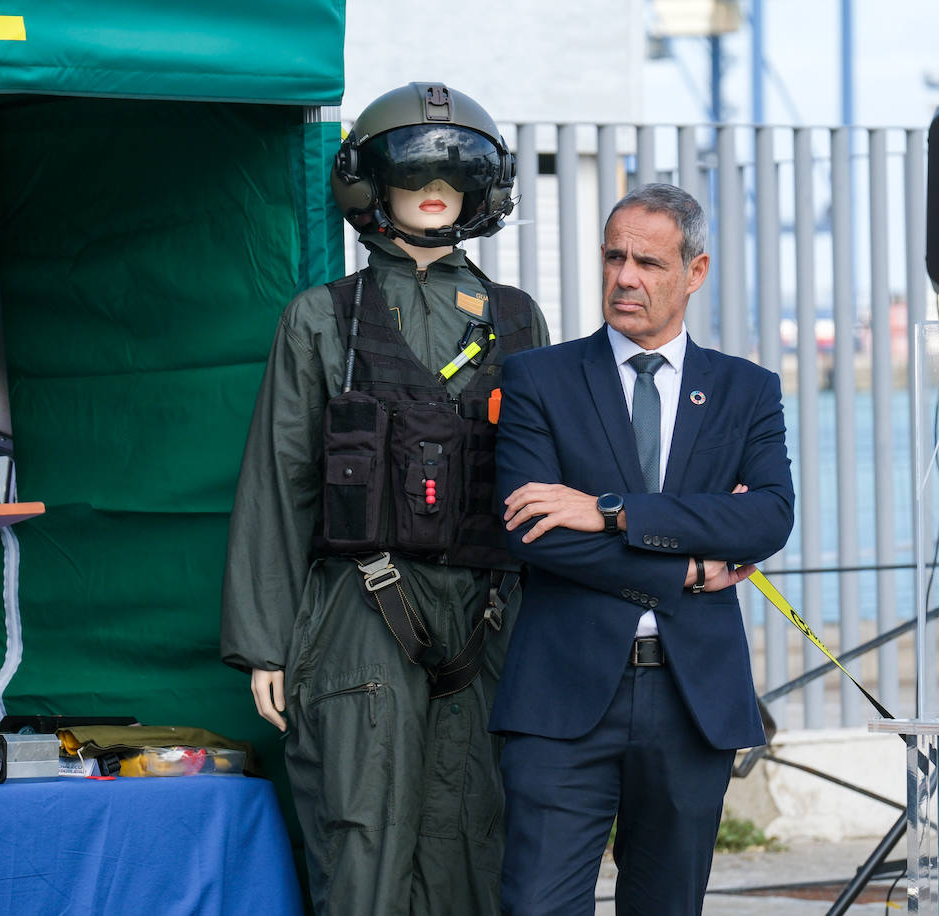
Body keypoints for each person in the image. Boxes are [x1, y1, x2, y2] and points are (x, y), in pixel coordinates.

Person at [220, 82, 550, 916]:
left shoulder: (516, 322)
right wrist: (264, 643)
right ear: (372, 186)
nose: (434, 190)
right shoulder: (323, 320)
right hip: (359, 615)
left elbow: (547, 481)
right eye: (410, 172)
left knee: (474, 836)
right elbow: (281, 478)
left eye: (456, 172)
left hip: (486, 616)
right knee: (360, 838)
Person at [491, 182, 795, 914]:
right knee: (536, 905)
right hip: (560, 699)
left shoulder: (746, 390)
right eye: (614, 257)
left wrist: (608, 511)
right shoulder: (539, 378)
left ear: (695, 272)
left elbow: (768, 521)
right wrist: (689, 565)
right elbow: (530, 531)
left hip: (691, 700)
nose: (626, 278)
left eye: (650, 263)